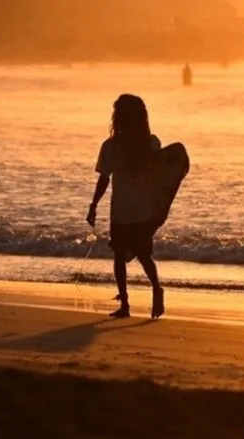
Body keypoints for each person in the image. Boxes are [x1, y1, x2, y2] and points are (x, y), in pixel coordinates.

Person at [86, 94, 164, 319]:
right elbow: (162, 178)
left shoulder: (115, 146)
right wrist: (159, 207)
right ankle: (148, 292)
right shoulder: (149, 144)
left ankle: (131, 302)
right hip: (139, 211)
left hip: (126, 211)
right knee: (140, 255)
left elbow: (104, 179)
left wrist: (93, 205)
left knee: (124, 256)